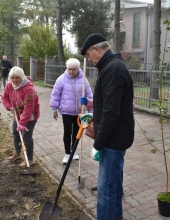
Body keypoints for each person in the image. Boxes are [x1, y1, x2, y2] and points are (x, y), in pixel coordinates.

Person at [80, 33, 135, 220]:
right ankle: (117, 215)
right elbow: (108, 104)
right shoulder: (111, 67)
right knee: (115, 183)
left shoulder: (113, 69)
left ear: (97, 49)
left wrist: (98, 144)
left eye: (89, 55)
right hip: (114, 135)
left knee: (106, 189)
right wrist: (94, 114)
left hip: (114, 138)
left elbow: (112, 112)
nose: (90, 59)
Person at [49, 58, 93, 165]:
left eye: (74, 69)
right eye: (69, 69)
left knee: (77, 132)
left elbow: (89, 94)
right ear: (66, 68)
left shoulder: (84, 80)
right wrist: (54, 109)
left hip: (79, 111)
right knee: (67, 131)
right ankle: (67, 153)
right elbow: (55, 95)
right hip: (66, 111)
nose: (71, 71)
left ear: (78, 68)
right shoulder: (61, 79)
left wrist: (91, 110)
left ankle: (74, 151)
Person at [1, 66, 40, 167]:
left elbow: (29, 108)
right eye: (13, 78)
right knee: (15, 133)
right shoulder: (9, 85)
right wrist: (9, 107)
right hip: (17, 114)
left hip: (30, 116)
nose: (15, 80)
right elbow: (4, 97)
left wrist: (22, 124)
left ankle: (30, 158)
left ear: (22, 77)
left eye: (17, 78)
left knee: (26, 136)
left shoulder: (28, 88)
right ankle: (17, 153)